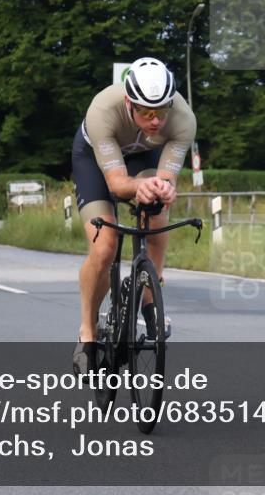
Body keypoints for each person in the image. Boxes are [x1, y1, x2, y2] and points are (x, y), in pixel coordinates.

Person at [71, 57, 196, 373]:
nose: (154, 121)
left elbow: (167, 179)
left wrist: (164, 189)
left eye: (161, 112)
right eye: (145, 112)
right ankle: (87, 333)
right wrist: (138, 186)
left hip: (144, 156)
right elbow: (115, 183)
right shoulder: (102, 110)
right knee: (105, 246)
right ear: (129, 102)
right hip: (95, 161)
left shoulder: (183, 121)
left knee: (157, 210)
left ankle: (150, 299)